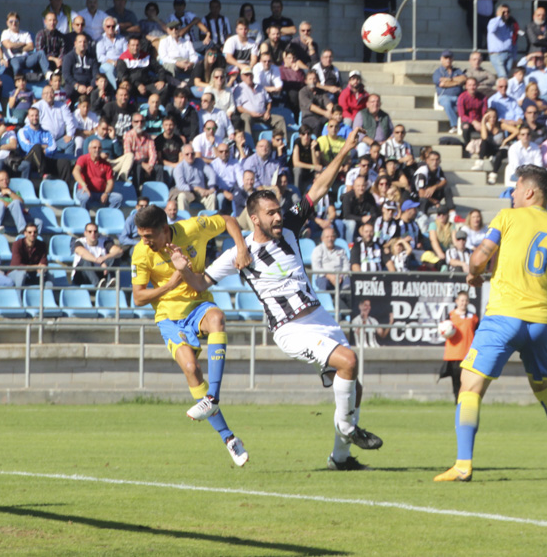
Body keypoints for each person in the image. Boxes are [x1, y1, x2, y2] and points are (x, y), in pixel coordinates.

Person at [189, 128, 385, 470]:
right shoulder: (239, 252)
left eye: (279, 211)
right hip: (290, 327)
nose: (278, 217)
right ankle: (347, 429)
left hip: (319, 317)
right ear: (255, 218)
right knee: (349, 361)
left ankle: (340, 458)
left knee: (354, 386)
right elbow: (200, 281)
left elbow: (319, 188)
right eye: (270, 213)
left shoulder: (290, 226)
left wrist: (346, 151)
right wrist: (180, 267)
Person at [434, 164, 547, 483]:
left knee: (470, 386)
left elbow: (479, 257)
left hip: (504, 317)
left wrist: (476, 273)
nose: (512, 194)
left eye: (516, 188)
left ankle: (463, 465)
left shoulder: (507, 218)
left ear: (530, 192)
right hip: (540, 323)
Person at [130, 205, 251, 466]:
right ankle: (229, 438)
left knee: (217, 317)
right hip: (169, 317)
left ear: (165, 230)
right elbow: (138, 297)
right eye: (141, 236)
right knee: (191, 368)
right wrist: (171, 284)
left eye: (149, 236)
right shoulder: (141, 253)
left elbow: (229, 220)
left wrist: (241, 248)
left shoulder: (193, 228)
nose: (144, 241)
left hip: (198, 305)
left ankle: (212, 398)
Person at [438, 290, 479, 402]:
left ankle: (467, 402)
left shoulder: (473, 317)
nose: (463, 303)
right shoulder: (450, 316)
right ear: (456, 301)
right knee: (456, 381)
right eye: (461, 300)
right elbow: (444, 330)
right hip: (454, 355)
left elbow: (478, 333)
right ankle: (458, 402)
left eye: (466, 300)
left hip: (468, 355)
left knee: (468, 382)